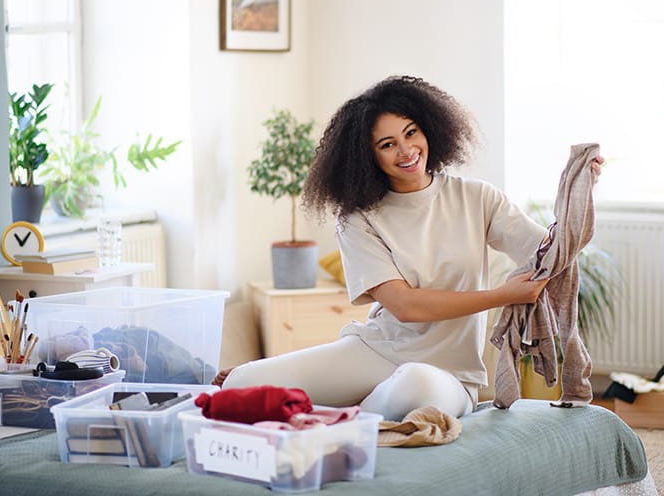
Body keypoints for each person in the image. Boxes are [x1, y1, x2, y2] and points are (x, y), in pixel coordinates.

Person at [219, 75, 602, 421]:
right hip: (378, 351)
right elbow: (405, 306)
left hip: (449, 374)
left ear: (430, 129)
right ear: (368, 158)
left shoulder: (477, 197)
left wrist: (580, 191)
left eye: (411, 132)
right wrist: (501, 295)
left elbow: (550, 256)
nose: (406, 150)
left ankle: (343, 414)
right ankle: (346, 405)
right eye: (388, 144)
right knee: (242, 383)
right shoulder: (357, 218)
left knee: (414, 388)